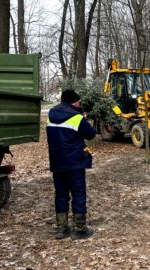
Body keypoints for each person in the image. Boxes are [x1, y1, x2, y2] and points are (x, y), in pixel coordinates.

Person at [46, 89, 96, 240]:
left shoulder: (50, 116)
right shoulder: (76, 117)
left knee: (61, 195)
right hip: (74, 163)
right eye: (78, 102)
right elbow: (91, 133)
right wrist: (84, 117)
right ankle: (79, 229)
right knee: (78, 194)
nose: (79, 104)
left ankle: (62, 228)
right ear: (73, 102)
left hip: (57, 163)